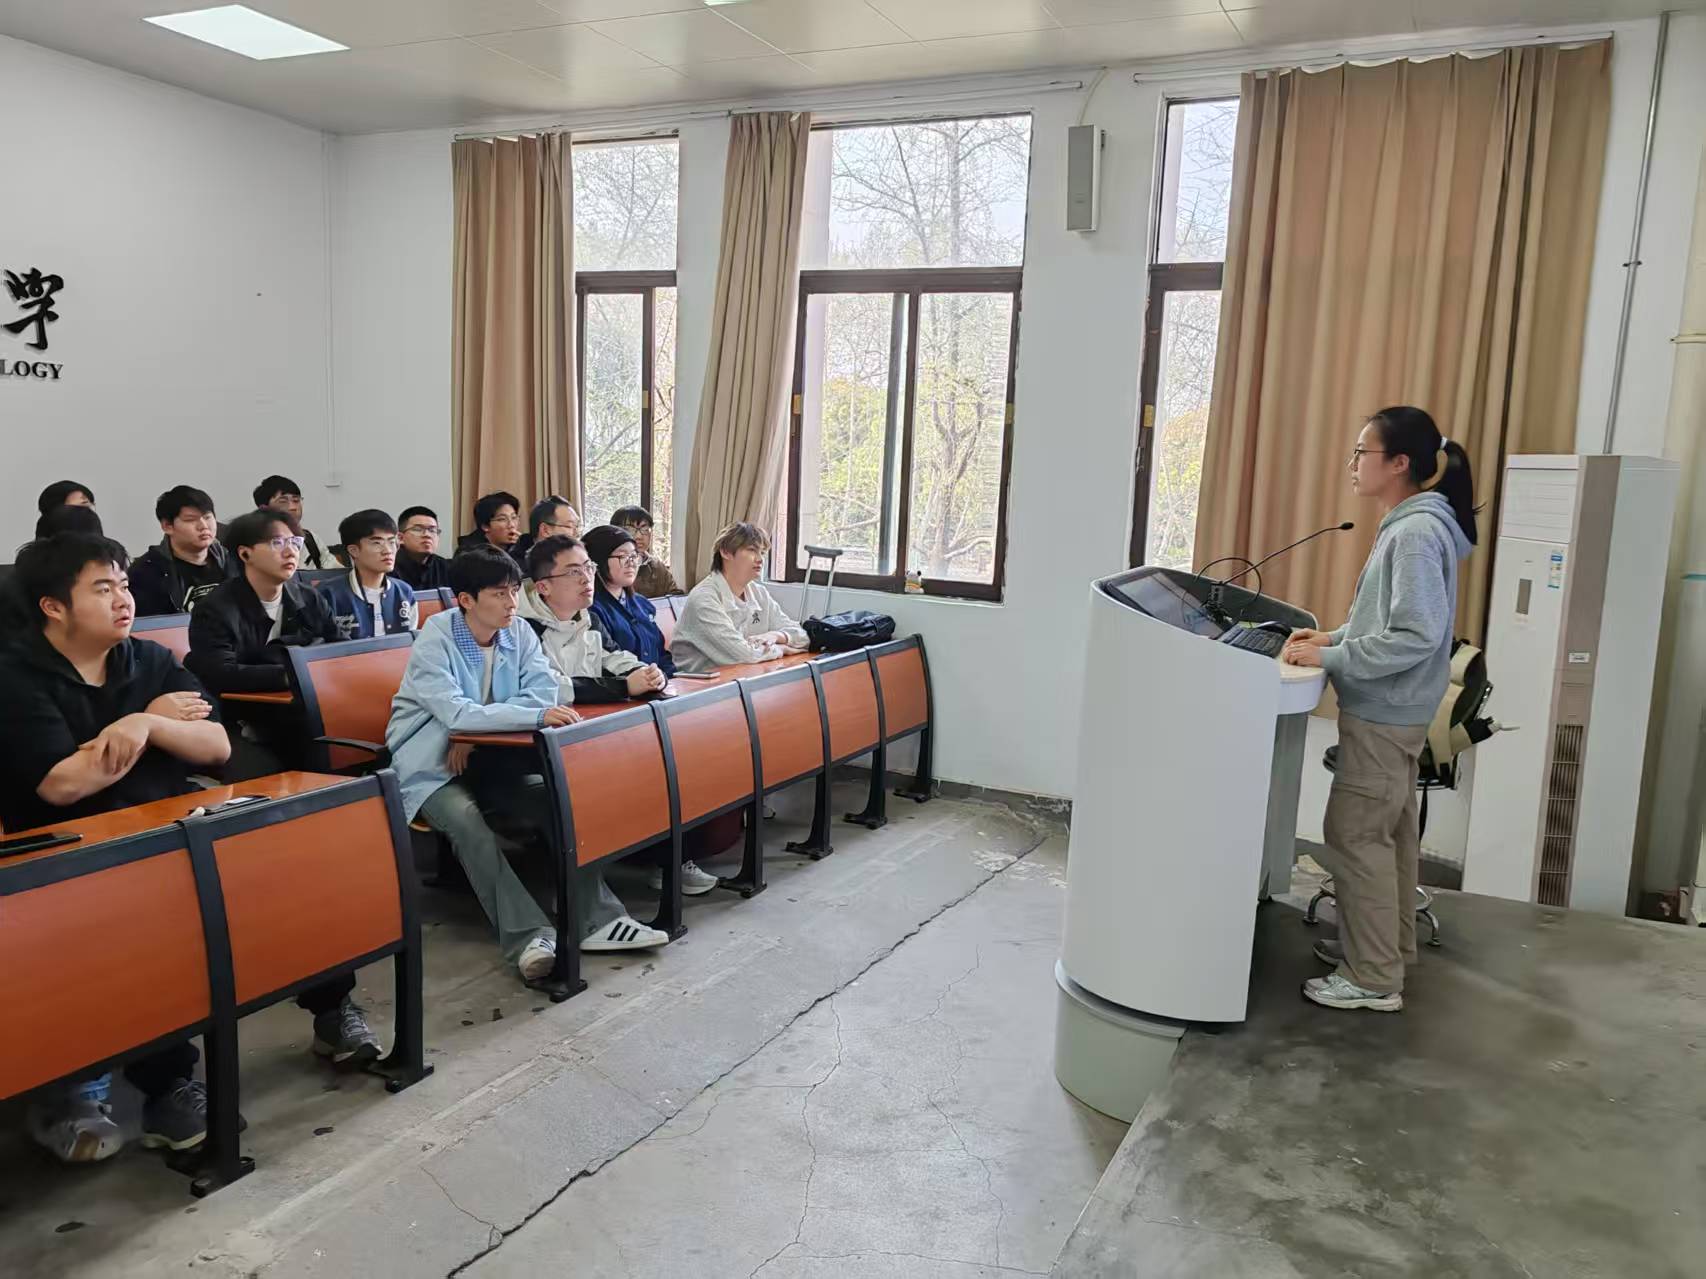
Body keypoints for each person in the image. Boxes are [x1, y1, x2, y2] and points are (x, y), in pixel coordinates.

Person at [0, 534, 231, 1162]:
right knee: (111, 932)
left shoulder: (148, 659)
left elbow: (216, 746)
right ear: (54, 606)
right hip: (59, 857)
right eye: (103, 589)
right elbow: (61, 784)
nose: (124, 599)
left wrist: (144, 722)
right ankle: (75, 1089)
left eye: (125, 584)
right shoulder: (16, 676)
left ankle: (167, 1082)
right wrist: (154, 729)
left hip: (160, 839)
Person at [387, 547, 670, 982]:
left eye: (513, 591)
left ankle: (597, 919)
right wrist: (484, 723)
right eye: (499, 594)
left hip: (494, 754)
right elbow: (457, 713)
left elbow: (541, 692)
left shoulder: (517, 631)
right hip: (432, 759)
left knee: (559, 802)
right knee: (468, 824)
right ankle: (528, 936)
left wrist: (479, 728)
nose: (511, 603)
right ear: (466, 600)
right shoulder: (436, 637)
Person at [1282, 406, 1476, 1015]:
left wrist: (1332, 658)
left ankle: (1372, 977)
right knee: (1388, 837)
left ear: (1399, 463)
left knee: (1356, 835)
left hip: (1386, 713)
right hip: (1397, 710)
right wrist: (1331, 639)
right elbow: (1382, 622)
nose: (1353, 463)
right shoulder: (1413, 523)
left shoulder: (1414, 534)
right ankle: (1385, 951)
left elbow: (1415, 635)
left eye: (1362, 452)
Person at [186, 509, 342, 775]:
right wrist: (293, 674)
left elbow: (340, 650)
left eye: (295, 542)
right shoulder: (215, 608)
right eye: (277, 543)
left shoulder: (309, 598)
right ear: (245, 554)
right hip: (239, 719)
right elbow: (220, 673)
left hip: (301, 709)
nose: (291, 551)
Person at [671, 522, 808, 674]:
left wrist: (776, 636)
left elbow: (803, 637)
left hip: (745, 678)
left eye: (762, 552)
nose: (760, 559)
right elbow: (745, 655)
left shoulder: (759, 593)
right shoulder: (704, 598)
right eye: (752, 550)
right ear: (726, 552)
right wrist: (781, 649)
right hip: (701, 684)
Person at [583, 525, 676, 677]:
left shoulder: (642, 604)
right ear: (598, 561)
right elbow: (607, 665)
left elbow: (661, 654)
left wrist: (674, 679)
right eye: (622, 556)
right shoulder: (590, 609)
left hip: (658, 684)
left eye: (634, 556)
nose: (631, 562)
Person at [129, 485, 233, 616]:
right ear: (167, 526)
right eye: (190, 520)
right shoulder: (146, 572)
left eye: (207, 517)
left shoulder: (234, 560)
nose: (203, 526)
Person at [322, 509, 416, 639]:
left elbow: (412, 642)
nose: (388, 551)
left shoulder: (404, 592)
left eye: (391, 542)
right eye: (377, 543)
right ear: (354, 550)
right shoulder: (327, 594)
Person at [253, 474, 331, 570]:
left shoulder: (311, 539)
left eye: (296, 500)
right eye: (283, 501)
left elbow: (336, 572)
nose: (293, 507)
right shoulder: (253, 541)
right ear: (264, 508)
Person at [612, 505, 681, 599]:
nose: (639, 536)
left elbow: (674, 596)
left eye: (645, 529)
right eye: (630, 530)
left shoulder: (656, 566)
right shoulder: (608, 565)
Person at [395, 505, 453, 593]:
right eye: (418, 529)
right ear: (400, 538)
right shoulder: (387, 567)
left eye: (432, 530)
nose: (427, 535)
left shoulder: (446, 568)